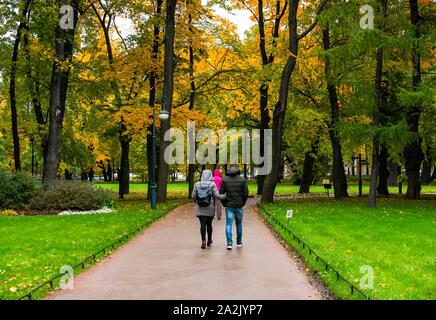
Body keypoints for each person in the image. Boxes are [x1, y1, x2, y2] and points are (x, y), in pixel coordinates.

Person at [192, 170, 226, 249]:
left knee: (202, 224)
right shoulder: (212, 184)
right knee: (209, 224)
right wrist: (225, 195)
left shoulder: (197, 184)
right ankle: (209, 240)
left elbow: (193, 196)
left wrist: (196, 202)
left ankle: (203, 240)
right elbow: (217, 196)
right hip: (210, 207)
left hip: (200, 207)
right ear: (210, 175)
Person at [219, 165, 249, 250]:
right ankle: (239, 242)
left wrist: (224, 203)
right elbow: (246, 193)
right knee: (239, 224)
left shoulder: (224, 180)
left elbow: (221, 193)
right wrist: (243, 202)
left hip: (229, 205)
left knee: (228, 224)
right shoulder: (242, 180)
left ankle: (229, 243)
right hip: (239, 205)